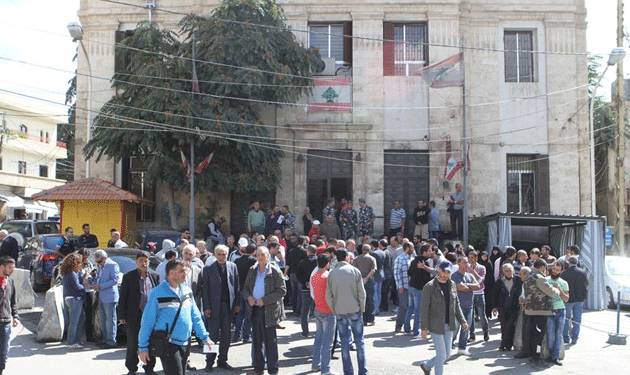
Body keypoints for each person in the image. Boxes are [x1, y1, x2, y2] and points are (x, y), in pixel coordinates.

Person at [138, 259, 214, 375]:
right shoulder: (157, 293)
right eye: (182, 271)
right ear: (171, 273)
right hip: (168, 343)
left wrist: (205, 337)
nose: (185, 274)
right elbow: (147, 321)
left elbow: (195, 316)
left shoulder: (187, 291)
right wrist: (143, 347)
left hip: (185, 342)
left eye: (186, 271)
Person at [242, 246, 286, 375]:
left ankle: (273, 369)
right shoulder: (252, 270)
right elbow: (245, 289)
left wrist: (265, 300)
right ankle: (258, 368)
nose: (260, 258)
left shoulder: (275, 272)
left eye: (263, 255)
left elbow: (282, 291)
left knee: (270, 342)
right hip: (255, 309)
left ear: (268, 256)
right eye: (258, 255)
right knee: (256, 341)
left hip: (269, 310)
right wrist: (248, 297)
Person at [419, 261, 467, 375]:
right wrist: (424, 328)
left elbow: (457, 305)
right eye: (444, 272)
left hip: (449, 324)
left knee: (447, 354)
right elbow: (424, 308)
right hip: (435, 325)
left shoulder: (452, 285)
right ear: (439, 270)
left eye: (448, 272)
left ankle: (427, 365)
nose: (446, 275)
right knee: (441, 354)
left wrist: (463, 321)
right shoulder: (429, 287)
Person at [326, 249, 367, 375]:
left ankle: (348, 371)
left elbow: (328, 295)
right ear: (346, 257)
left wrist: (334, 310)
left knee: (344, 343)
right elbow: (362, 293)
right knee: (359, 342)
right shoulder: (355, 271)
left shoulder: (332, 273)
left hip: (340, 311)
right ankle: (363, 371)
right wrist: (362, 308)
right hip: (355, 309)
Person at [119, 251, 160, 375]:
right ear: (137, 262)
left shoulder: (155, 276)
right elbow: (123, 298)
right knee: (133, 342)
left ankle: (149, 368)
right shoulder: (129, 276)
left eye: (146, 260)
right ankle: (132, 368)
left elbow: (158, 296)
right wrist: (121, 315)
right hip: (133, 315)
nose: (144, 263)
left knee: (150, 341)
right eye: (141, 260)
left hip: (151, 315)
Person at [514, 259, 560, 365]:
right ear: (542, 267)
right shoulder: (539, 278)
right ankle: (535, 355)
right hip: (540, 310)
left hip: (530, 309)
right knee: (538, 334)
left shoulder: (529, 276)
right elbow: (551, 292)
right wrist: (557, 290)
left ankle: (530, 352)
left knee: (531, 332)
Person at [201, 245, 239, 372]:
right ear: (215, 255)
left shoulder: (232, 267)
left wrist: (237, 304)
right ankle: (209, 361)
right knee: (212, 335)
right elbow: (205, 289)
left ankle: (222, 360)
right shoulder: (208, 269)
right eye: (219, 254)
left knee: (226, 335)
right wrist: (206, 306)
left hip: (228, 306)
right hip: (213, 307)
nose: (222, 257)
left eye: (224, 255)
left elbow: (236, 286)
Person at [310, 254, 335, 374]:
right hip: (328, 311)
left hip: (318, 309)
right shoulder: (328, 277)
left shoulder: (314, 276)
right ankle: (325, 369)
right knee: (327, 342)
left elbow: (314, 294)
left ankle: (315, 364)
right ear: (327, 264)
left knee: (318, 338)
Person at [451, 256, 479, 356]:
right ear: (459, 263)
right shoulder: (454, 276)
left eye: (467, 263)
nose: (467, 265)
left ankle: (462, 347)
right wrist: (470, 287)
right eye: (465, 263)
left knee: (466, 327)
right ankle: (449, 346)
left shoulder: (470, 276)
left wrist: (467, 286)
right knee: (455, 328)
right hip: (458, 306)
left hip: (469, 305)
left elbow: (478, 286)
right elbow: (460, 287)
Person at [93, 249, 120, 348]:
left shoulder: (113, 265)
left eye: (99, 261)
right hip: (101, 295)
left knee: (110, 320)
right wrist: (94, 282)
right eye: (97, 262)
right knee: (103, 319)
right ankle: (104, 339)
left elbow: (114, 280)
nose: (98, 263)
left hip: (110, 296)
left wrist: (101, 286)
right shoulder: (101, 266)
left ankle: (111, 341)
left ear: (104, 258)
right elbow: (99, 278)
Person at [492, 263, 521, 351]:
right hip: (503, 307)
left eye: (510, 271)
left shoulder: (517, 280)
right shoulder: (499, 281)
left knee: (511, 325)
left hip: (514, 306)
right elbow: (494, 295)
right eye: (506, 271)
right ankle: (506, 344)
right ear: (503, 272)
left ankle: (504, 344)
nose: (508, 272)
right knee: (504, 326)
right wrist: (494, 307)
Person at [545, 262, 570, 366]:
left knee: (559, 335)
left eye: (557, 270)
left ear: (561, 271)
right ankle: (550, 354)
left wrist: (559, 290)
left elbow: (566, 299)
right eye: (554, 269)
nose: (554, 271)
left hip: (560, 310)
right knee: (550, 335)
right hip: (549, 311)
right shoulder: (546, 280)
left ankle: (555, 356)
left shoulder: (564, 283)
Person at [60, 253, 85, 350]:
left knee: (79, 320)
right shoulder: (72, 274)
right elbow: (77, 287)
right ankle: (71, 342)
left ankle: (76, 340)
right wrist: (85, 285)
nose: (80, 265)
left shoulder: (67, 273)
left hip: (70, 299)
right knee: (74, 322)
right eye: (79, 263)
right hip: (74, 299)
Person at [408, 244, 433, 337]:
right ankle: (416, 331)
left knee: (411, 308)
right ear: (424, 252)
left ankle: (407, 329)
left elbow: (409, 272)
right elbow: (426, 278)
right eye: (429, 250)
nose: (431, 252)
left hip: (411, 286)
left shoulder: (414, 260)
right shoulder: (424, 263)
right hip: (419, 288)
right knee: (419, 310)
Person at [561, 255, 588, 344]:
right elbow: (586, 284)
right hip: (579, 299)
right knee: (577, 320)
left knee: (566, 319)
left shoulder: (565, 273)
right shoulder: (583, 272)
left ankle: (566, 337)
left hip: (568, 299)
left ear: (568, 262)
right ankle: (575, 338)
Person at [233, 243, 257, 343]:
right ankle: (246, 336)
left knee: (240, 313)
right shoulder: (254, 261)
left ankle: (236, 335)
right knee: (249, 314)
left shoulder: (237, 260)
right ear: (254, 251)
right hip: (250, 290)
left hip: (239, 289)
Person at [0, 256, 19, 375]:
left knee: (3, 352)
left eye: (13, 267)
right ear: (2, 267)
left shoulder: (10, 281)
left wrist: (15, 316)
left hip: (6, 321)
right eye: (10, 267)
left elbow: (14, 300)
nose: (12, 270)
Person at [468, 250, 489, 342]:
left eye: (472, 258)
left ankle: (485, 332)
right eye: (469, 258)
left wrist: (473, 271)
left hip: (479, 293)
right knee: (470, 315)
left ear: (476, 258)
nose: (470, 260)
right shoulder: (466, 267)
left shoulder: (481, 267)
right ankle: (472, 335)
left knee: (481, 314)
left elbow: (481, 280)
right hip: (469, 293)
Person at [353, 244, 377, 325]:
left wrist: (361, 279)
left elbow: (354, 270)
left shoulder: (356, 259)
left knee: (361, 299)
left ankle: (363, 319)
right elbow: (373, 270)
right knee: (371, 299)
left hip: (359, 280)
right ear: (369, 250)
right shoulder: (372, 258)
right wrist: (366, 278)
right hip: (369, 280)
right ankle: (371, 318)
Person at [297, 245, 318, 336]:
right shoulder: (318, 262)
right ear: (316, 252)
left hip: (306, 289)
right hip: (317, 289)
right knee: (318, 310)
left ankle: (305, 331)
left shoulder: (302, 262)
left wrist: (305, 283)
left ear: (308, 252)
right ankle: (319, 331)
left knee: (305, 311)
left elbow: (298, 275)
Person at [393, 242, 414, 334]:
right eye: (412, 247)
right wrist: (400, 285)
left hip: (411, 286)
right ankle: (398, 326)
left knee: (409, 308)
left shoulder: (412, 258)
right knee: (403, 307)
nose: (413, 249)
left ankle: (407, 326)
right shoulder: (400, 259)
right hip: (403, 287)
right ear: (407, 248)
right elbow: (396, 273)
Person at [284, 237, 307, 316]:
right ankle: (299, 310)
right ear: (304, 242)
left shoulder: (291, 251)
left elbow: (288, 264)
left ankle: (294, 309)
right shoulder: (305, 252)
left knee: (294, 292)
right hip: (301, 274)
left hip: (292, 274)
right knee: (300, 292)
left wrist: (285, 274)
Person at [370, 240, 386, 316]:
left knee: (375, 292)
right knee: (379, 292)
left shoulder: (373, 253)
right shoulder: (383, 252)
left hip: (375, 274)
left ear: (372, 245)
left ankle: (375, 309)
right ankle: (377, 308)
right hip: (381, 273)